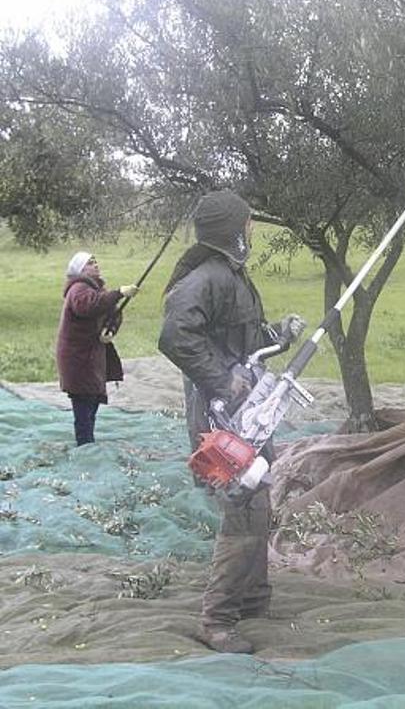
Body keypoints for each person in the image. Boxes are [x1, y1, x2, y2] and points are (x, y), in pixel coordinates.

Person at [158, 189, 305, 654]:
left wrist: (277, 334)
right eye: (248, 223)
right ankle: (217, 620)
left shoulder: (232, 278)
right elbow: (175, 336)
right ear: (233, 231)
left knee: (257, 501)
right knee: (242, 510)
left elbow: (239, 335)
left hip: (248, 413)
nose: (253, 230)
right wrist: (224, 381)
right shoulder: (207, 278)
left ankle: (254, 600)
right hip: (223, 418)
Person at [55, 252, 138, 445]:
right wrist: (119, 293)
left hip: (91, 357)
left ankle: (87, 442)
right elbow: (89, 306)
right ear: (80, 270)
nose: (95, 265)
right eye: (90, 263)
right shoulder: (78, 289)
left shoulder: (96, 289)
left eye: (95, 261)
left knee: (91, 400)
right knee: (84, 405)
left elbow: (114, 313)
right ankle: (85, 445)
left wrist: (111, 329)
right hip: (77, 359)